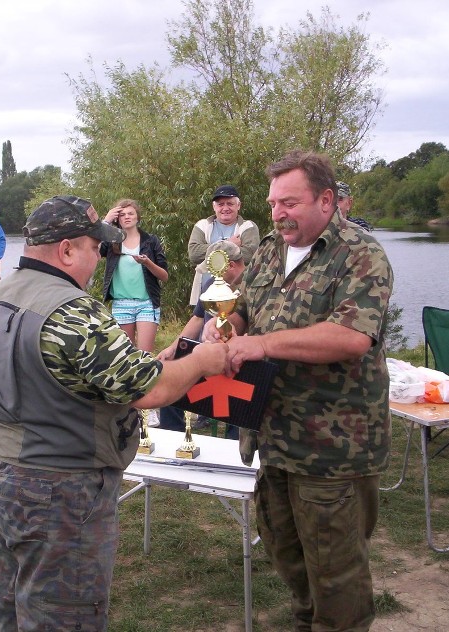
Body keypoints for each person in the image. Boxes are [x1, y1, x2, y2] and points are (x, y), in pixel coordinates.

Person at [0, 195, 228, 632]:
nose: (101, 258)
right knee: (64, 618)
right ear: (66, 250)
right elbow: (150, 387)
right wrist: (201, 362)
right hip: (57, 489)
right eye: (95, 248)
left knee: (11, 606)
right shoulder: (71, 310)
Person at [208, 151, 394, 631]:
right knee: (288, 557)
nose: (277, 213)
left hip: (331, 445)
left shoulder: (361, 253)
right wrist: (225, 327)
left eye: (289, 202)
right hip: (272, 435)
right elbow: (245, 304)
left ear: (326, 200)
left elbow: (352, 337)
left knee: (337, 575)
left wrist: (261, 343)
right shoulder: (269, 248)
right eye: (272, 203)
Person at [157, 239, 246, 438]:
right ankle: (172, 439)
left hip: (238, 361)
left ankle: (234, 448)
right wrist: (173, 348)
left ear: (229, 264)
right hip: (203, 355)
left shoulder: (252, 286)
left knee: (244, 392)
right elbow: (197, 319)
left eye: (213, 268)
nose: (210, 274)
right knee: (167, 373)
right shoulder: (210, 284)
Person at [101, 199, 168, 353]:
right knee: (127, 356)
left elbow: (164, 276)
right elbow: (91, 247)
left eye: (131, 213)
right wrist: (105, 221)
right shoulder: (111, 241)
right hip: (121, 304)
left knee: (145, 356)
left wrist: (147, 263)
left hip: (147, 303)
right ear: (117, 219)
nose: (127, 217)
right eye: (122, 214)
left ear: (138, 217)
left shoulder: (151, 241)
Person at [188, 184, 260, 306]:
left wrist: (211, 249)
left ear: (238, 205)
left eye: (230, 204)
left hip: (238, 295)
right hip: (206, 294)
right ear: (214, 207)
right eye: (221, 204)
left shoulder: (248, 226)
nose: (225, 208)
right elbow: (194, 254)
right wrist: (230, 245)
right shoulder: (202, 225)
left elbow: (250, 255)